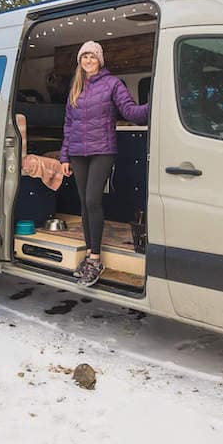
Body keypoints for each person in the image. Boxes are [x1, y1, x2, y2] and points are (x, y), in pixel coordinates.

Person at [59, 40, 150, 286]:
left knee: (92, 200)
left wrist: (154, 105)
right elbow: (69, 125)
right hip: (77, 152)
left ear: (100, 60)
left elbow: (130, 112)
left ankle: (95, 259)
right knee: (84, 205)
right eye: (84, 56)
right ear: (80, 61)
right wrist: (64, 156)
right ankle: (88, 254)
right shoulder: (76, 87)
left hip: (102, 150)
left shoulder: (112, 84)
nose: (88, 60)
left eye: (93, 56)